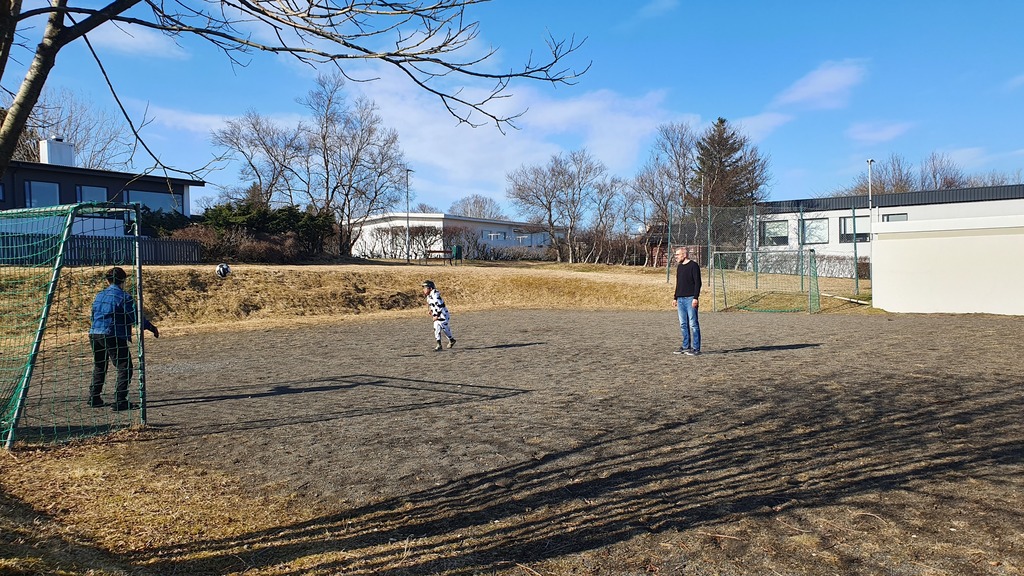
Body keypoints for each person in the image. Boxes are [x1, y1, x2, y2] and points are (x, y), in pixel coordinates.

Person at [89, 267, 159, 411]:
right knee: (125, 366)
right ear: (124, 280)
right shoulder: (124, 297)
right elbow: (136, 317)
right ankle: (120, 400)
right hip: (112, 333)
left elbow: (93, 314)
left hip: (94, 333)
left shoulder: (99, 295)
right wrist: (151, 328)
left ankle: (94, 397)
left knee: (100, 365)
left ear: (108, 280)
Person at [672, 246, 702, 356]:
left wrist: (695, 297)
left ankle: (696, 348)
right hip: (680, 299)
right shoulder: (679, 267)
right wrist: (675, 297)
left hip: (690, 298)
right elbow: (678, 283)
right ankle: (685, 346)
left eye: (678, 254)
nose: (676, 257)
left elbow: (698, 283)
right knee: (683, 324)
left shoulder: (693, 266)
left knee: (693, 324)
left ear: (684, 255)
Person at [421, 280, 456, 351]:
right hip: (437, 314)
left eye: (425, 288)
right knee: (436, 328)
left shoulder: (435, 295)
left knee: (444, 328)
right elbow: (433, 305)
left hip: (442, 314)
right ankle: (439, 344)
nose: (424, 290)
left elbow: (440, 305)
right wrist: (431, 310)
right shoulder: (429, 296)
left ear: (430, 288)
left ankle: (451, 340)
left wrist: (436, 315)